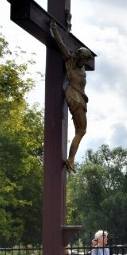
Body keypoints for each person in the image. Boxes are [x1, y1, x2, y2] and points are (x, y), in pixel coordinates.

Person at [50, 19, 90, 173]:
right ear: (80, 57)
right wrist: (55, 29)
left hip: (79, 98)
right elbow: (62, 46)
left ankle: (71, 158)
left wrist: (67, 28)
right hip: (75, 97)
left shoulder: (80, 67)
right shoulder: (70, 61)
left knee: (80, 130)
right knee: (81, 130)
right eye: (86, 58)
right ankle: (71, 159)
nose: (86, 61)